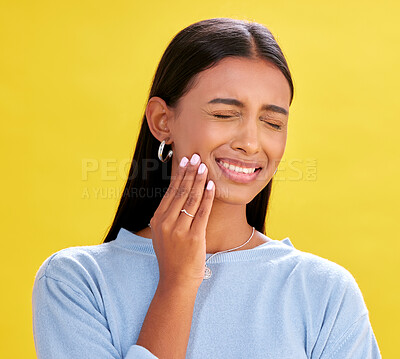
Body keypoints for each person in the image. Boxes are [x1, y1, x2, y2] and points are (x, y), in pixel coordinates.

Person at [32, 17, 382, 358]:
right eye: (225, 115)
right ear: (162, 120)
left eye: (272, 122)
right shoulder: (75, 282)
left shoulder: (324, 292)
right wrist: (178, 283)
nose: (250, 142)